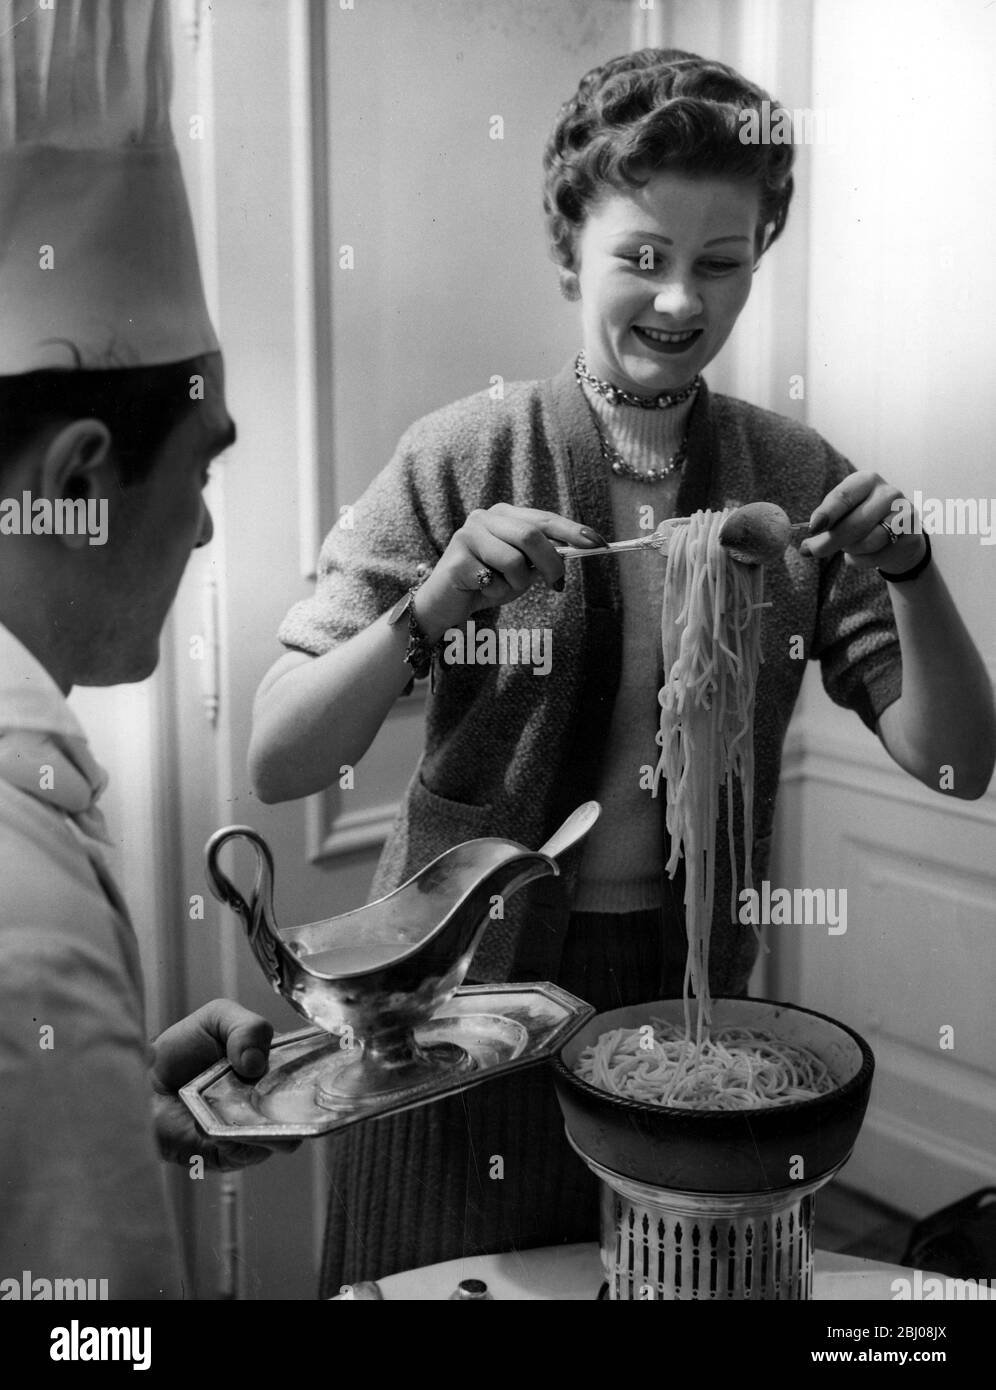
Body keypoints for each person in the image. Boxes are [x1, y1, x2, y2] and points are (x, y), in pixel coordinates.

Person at [249, 49, 996, 1294]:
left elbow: (961, 760)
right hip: (454, 997)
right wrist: (435, 605)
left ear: (759, 258)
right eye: (640, 256)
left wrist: (916, 571)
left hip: (680, 1009)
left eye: (721, 261)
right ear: (568, 250)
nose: (677, 299)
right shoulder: (464, 455)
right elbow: (282, 755)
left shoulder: (790, 475)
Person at [0, 1, 289, 1299]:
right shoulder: (32, 939)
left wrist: (109, 1084)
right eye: (202, 463)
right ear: (81, 474)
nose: (208, 521)